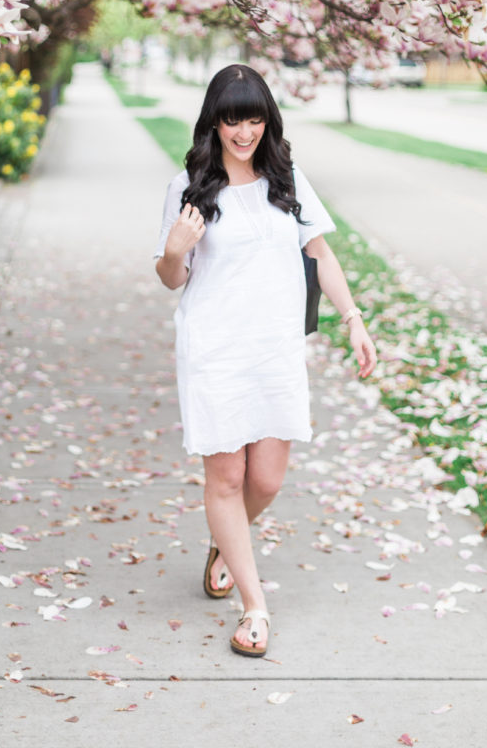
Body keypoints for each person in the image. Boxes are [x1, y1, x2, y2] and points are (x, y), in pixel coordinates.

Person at [154, 64, 376, 658]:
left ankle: (226, 545)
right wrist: (174, 250)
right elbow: (173, 277)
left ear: (267, 120)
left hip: (275, 348)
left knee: (267, 480)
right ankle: (256, 607)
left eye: (254, 118)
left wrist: (353, 319)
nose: (244, 131)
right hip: (214, 350)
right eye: (232, 119)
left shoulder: (288, 179)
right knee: (225, 478)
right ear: (214, 121)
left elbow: (320, 253)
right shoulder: (189, 188)